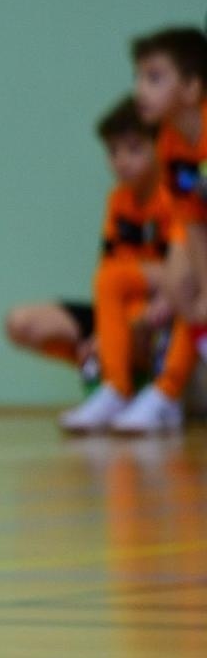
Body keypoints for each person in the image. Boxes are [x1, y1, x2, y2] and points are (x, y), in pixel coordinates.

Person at [18, 97, 175, 434]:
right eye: (113, 152)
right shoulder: (117, 201)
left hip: (157, 310)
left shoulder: (173, 198)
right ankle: (111, 373)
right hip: (121, 303)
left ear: (160, 147)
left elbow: (181, 271)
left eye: (133, 149)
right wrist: (104, 332)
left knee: (124, 297)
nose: (121, 161)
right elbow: (108, 268)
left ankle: (124, 384)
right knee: (22, 323)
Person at [116, 25, 207, 435]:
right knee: (177, 282)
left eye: (154, 78)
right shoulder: (170, 144)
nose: (140, 90)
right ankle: (168, 394)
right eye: (138, 77)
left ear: (191, 88)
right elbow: (191, 219)